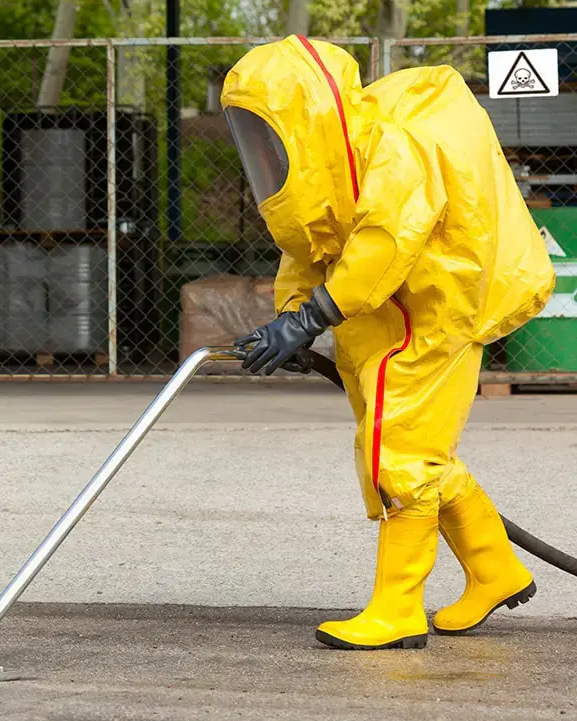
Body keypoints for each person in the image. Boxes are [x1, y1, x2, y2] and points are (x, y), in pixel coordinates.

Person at [222, 36, 555, 650]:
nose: (265, 150)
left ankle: (398, 608)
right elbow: (309, 250)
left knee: (397, 456)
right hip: (390, 309)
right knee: (414, 449)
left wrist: (310, 318)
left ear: (309, 119)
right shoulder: (326, 168)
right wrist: (291, 316)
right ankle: (494, 568)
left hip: (442, 306)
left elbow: (386, 240)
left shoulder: (391, 149)